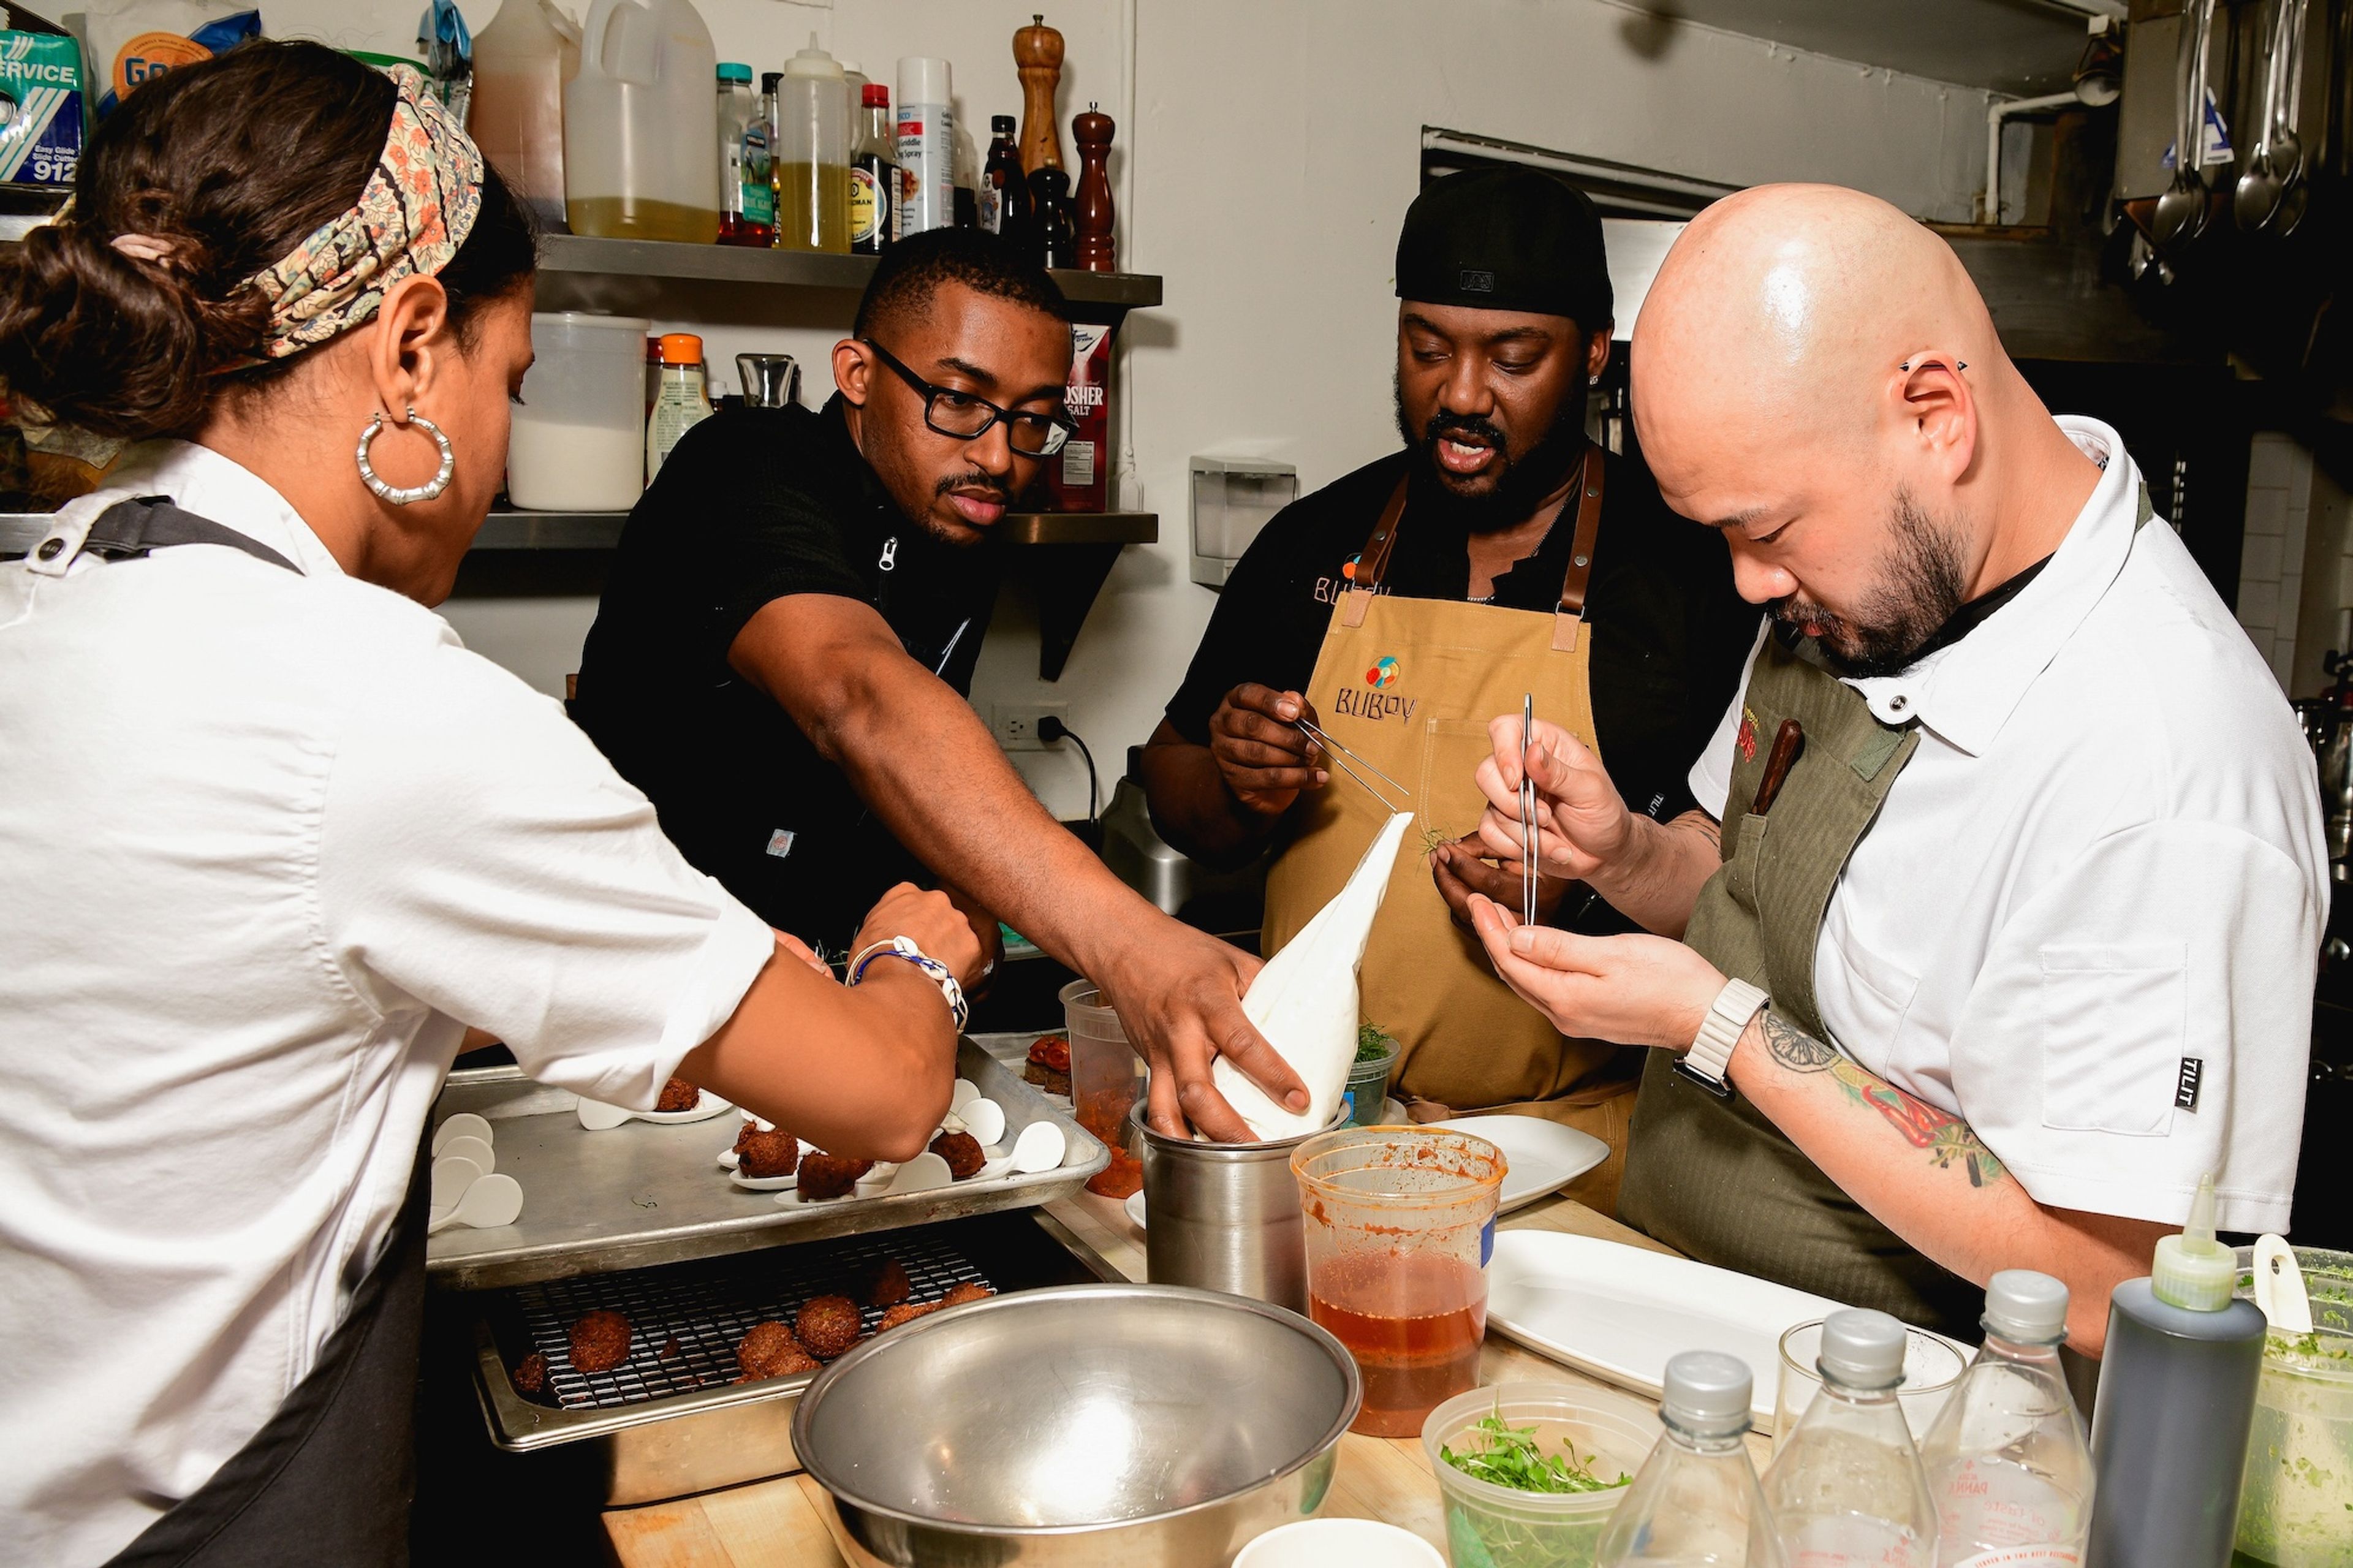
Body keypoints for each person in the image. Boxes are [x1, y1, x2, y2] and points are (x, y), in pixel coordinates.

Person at [0, 45, 979, 1567]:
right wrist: (914, 958)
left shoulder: (45, 603)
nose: (510, 430)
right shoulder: (375, 697)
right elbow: (884, 1095)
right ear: (407, 353)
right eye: (511, 378)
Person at [1460, 184, 2324, 1350]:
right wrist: (1623, 853)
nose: (1748, 585)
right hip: (1681, 1310)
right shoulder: (1870, 589)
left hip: (1899, 1435)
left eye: (1764, 531)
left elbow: (2106, 1293)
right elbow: (1737, 878)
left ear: (1935, 415)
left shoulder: (2164, 770)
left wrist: (1719, 1029)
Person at [573, 228, 1309, 1143]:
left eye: (1034, 418)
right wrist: (1130, 943)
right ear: (856, 373)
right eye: (962, 400)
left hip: (843, 1008)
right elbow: (859, 696)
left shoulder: (949, 509)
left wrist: (952, 905)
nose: (1001, 457)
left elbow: (896, 773)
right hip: (645, 1015)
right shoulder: (744, 467)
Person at [1137, 167, 1756, 1184]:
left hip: (1583, 1152)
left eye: (1513, 359)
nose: (1461, 394)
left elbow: (1751, 895)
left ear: (1595, 355)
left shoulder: (1695, 571)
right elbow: (1172, 793)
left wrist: (1581, 892)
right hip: (1310, 1129)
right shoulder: (1314, 542)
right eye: (1427, 350)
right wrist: (1234, 784)